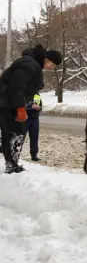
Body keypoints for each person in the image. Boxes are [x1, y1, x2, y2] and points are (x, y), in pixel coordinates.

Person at [0, 45, 61, 173]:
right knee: (17, 132)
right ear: (47, 59)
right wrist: (20, 108)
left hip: (6, 103)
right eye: (53, 64)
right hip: (8, 103)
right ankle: (12, 166)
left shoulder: (31, 63)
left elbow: (22, 82)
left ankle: (11, 164)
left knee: (9, 133)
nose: (52, 68)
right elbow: (17, 86)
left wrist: (37, 84)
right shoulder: (31, 65)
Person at [25, 93, 43, 161]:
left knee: (34, 137)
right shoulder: (24, 91)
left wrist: (39, 108)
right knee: (21, 137)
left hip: (35, 119)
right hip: (25, 118)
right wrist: (30, 106)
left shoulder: (37, 95)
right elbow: (19, 104)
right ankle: (16, 155)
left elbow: (40, 105)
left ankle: (34, 155)